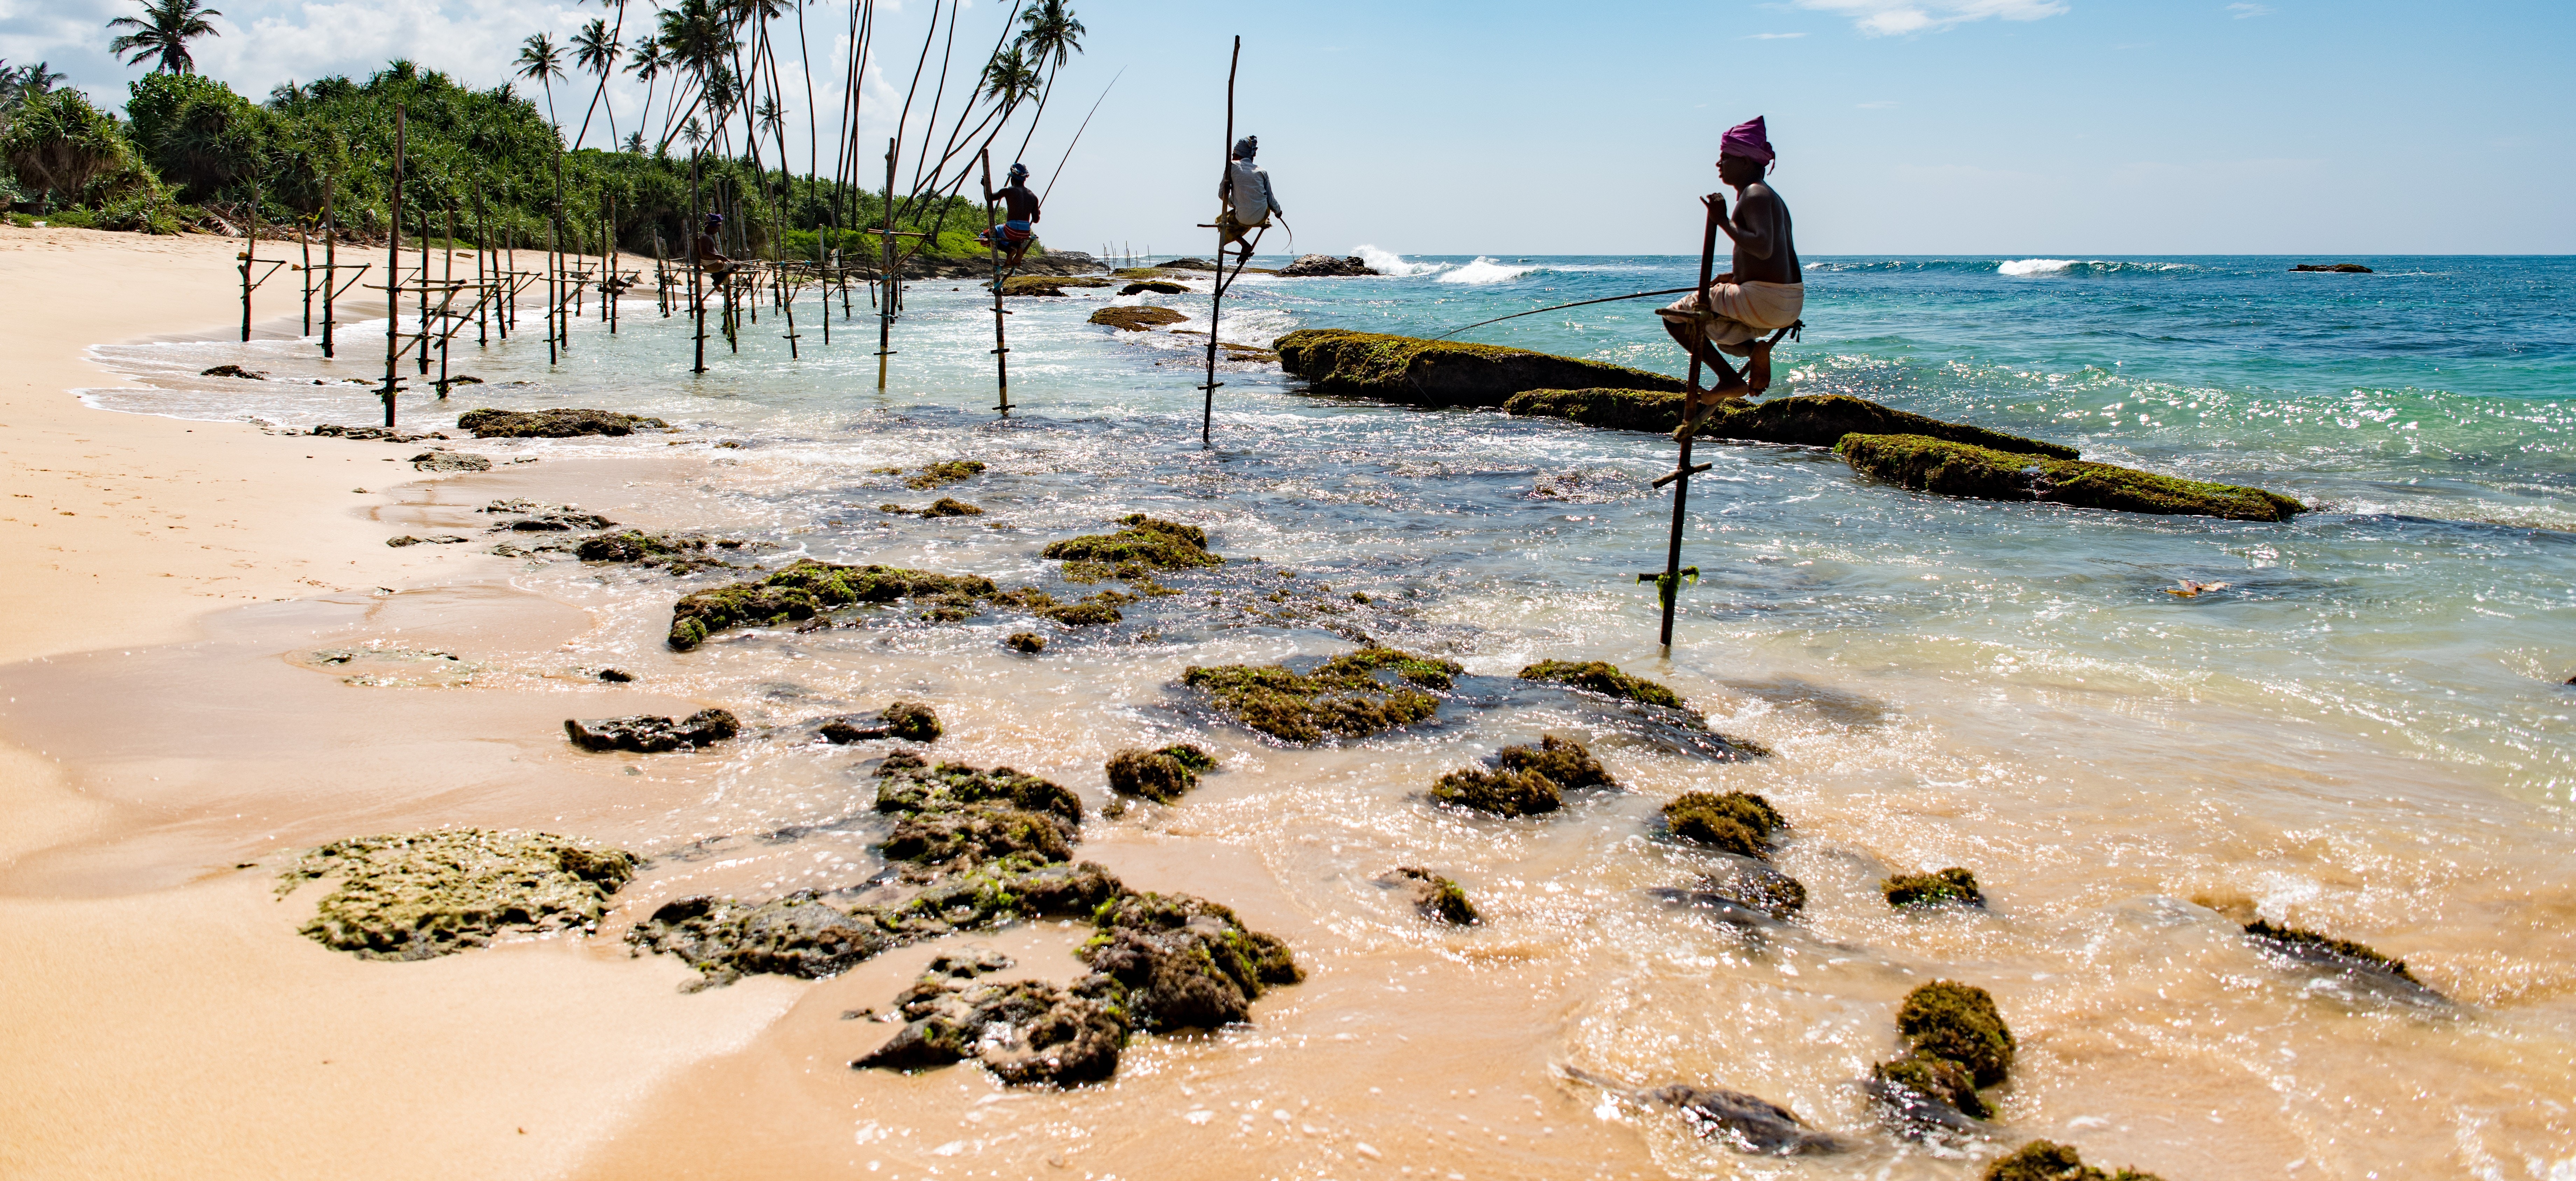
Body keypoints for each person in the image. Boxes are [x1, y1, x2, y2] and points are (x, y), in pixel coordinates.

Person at [1658, 116, 1801, 435]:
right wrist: (1735, 276)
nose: (1719, 163)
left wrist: (1721, 220)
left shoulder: (1754, 194)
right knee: (1721, 334)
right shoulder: (1771, 197)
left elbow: (1762, 247)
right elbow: (1773, 257)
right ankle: (1755, 350)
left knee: (1674, 317)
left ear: (1746, 161)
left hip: (1763, 298)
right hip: (1786, 302)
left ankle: (1729, 380)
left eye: (1725, 157)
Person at [1215, 136, 1283, 263]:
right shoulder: (1262, 171)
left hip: (1242, 218)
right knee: (1256, 209)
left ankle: (1244, 244)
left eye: (1234, 155)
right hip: (1262, 216)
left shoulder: (1231, 166)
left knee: (1220, 221)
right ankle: (1246, 243)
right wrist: (1278, 212)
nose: (1232, 158)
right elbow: (1271, 199)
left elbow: (1222, 195)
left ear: (1238, 155)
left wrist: (1235, 204)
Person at [977, 162, 1042, 268]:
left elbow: (989, 198)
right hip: (1025, 232)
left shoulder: (1008, 191)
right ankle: (1017, 248)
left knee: (983, 237)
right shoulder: (1033, 196)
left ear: (1013, 179)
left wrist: (985, 186)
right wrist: (1038, 213)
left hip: (1011, 230)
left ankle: (1009, 251)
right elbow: (1036, 220)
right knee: (1014, 239)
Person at [692, 212, 738, 280]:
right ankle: (718, 281)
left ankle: (717, 276)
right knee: (738, 266)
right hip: (712, 265)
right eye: (717, 228)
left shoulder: (707, 236)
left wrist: (722, 259)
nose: (717, 231)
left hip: (712, 264)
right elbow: (705, 253)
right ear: (711, 227)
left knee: (733, 262)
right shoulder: (705, 237)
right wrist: (720, 257)